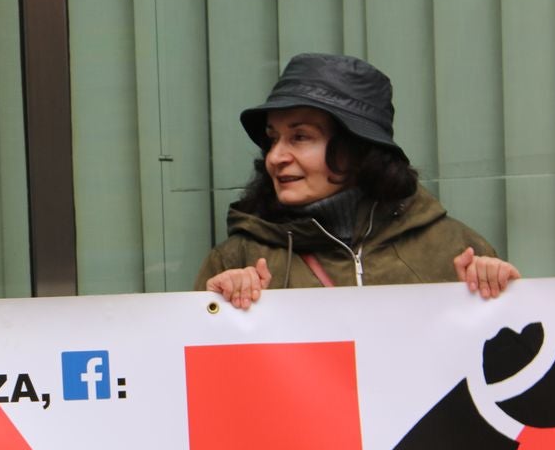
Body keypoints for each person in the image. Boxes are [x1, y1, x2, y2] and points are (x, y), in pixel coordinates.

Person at [195, 52, 519, 309]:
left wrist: (498, 293)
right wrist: (216, 309)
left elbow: (507, 364)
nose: (275, 157)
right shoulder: (238, 258)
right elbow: (196, 379)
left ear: (357, 149)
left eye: (300, 137)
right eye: (273, 138)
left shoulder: (455, 249)